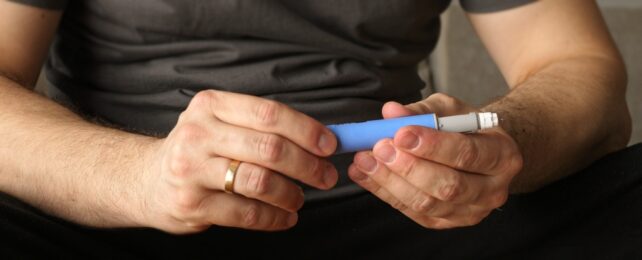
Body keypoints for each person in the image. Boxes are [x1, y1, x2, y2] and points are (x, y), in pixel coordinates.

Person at [0, 0, 640, 258]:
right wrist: (141, 178)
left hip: (404, 213)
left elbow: (580, 70)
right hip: (120, 220)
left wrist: (506, 147)